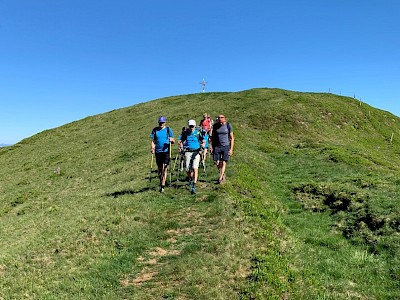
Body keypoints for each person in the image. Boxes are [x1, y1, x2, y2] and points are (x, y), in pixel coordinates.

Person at [179, 119, 205, 194]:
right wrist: (181, 147)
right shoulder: (185, 133)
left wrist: (203, 144)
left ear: (195, 126)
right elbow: (180, 141)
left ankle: (194, 184)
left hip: (196, 152)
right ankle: (190, 178)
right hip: (187, 151)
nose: (191, 127)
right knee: (187, 169)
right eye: (190, 126)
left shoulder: (198, 132)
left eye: (192, 126)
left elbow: (202, 140)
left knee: (195, 168)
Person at [150, 116, 175, 192]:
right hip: (158, 151)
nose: (161, 124)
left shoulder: (168, 130)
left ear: (165, 122)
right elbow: (153, 141)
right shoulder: (155, 130)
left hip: (166, 151)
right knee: (160, 168)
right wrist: (152, 148)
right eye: (160, 122)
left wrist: (171, 140)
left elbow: (173, 140)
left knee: (165, 167)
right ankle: (161, 180)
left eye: (163, 122)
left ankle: (162, 186)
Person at [210, 114, 234, 184]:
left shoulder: (228, 125)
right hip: (217, 146)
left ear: (225, 118)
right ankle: (222, 173)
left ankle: (220, 178)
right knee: (216, 162)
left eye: (222, 117)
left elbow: (232, 138)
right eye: (219, 117)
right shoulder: (215, 126)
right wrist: (211, 146)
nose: (220, 118)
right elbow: (212, 137)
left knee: (224, 162)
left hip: (225, 146)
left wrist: (231, 149)